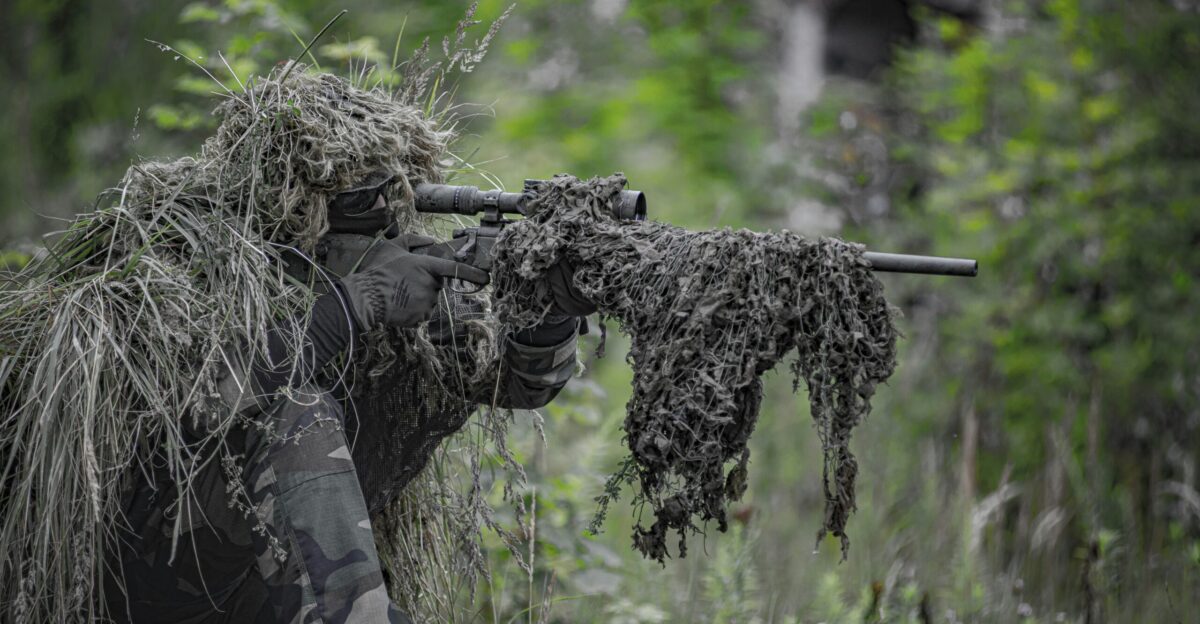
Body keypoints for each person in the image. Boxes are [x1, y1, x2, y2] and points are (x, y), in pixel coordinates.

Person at [103, 171, 596, 623]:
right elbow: (201, 403)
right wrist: (351, 305)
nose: (382, 214)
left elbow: (518, 383)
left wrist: (548, 311)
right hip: (159, 583)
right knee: (298, 412)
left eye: (390, 197)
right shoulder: (196, 254)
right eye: (360, 201)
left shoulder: (397, 276)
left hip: (271, 592)